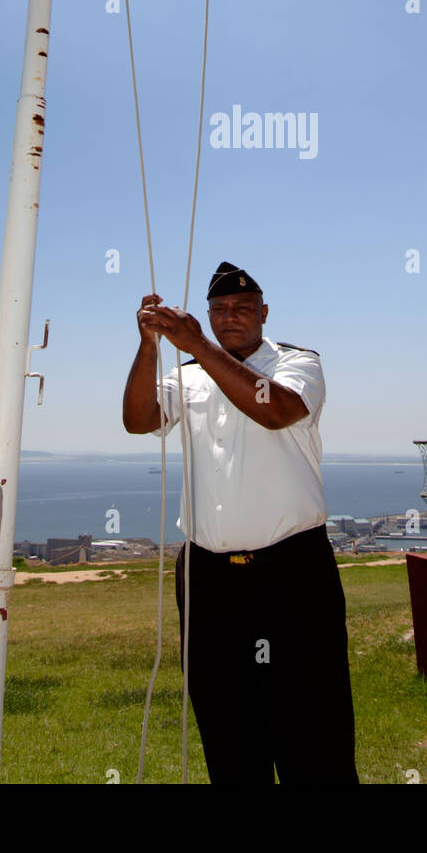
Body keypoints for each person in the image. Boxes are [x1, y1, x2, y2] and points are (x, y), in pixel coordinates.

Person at [122, 260, 359, 785]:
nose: (230, 318)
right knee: (227, 731)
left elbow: (276, 411)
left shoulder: (299, 362)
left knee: (313, 730)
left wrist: (199, 347)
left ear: (264, 313)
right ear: (208, 313)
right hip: (209, 580)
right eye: (220, 310)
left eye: (242, 309)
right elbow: (139, 420)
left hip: (292, 573)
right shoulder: (186, 374)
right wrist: (150, 345)